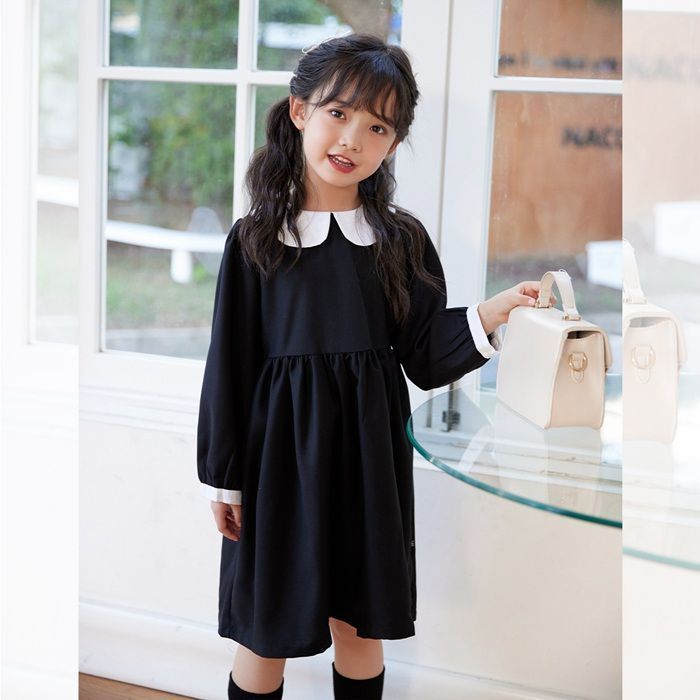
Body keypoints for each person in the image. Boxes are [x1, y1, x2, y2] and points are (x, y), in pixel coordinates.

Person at [197, 32, 547, 700]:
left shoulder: (398, 240)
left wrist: (492, 313)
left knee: (361, 626)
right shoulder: (256, 241)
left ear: (393, 143)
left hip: (368, 463)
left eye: (377, 127)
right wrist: (225, 479)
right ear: (300, 110)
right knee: (264, 632)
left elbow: (424, 351)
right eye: (338, 113)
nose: (352, 139)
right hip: (279, 466)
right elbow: (229, 368)